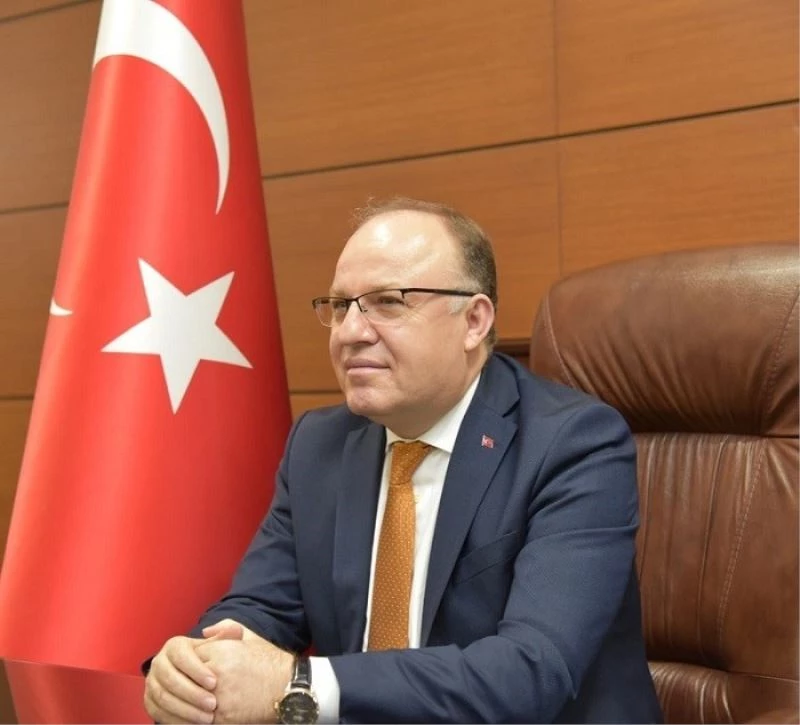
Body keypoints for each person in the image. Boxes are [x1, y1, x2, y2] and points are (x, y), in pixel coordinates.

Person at [143, 197, 663, 724]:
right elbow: (261, 609)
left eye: (387, 302)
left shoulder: (573, 445)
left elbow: (530, 672)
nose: (350, 332)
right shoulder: (318, 445)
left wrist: (298, 683)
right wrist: (194, 667)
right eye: (340, 306)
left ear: (473, 321)